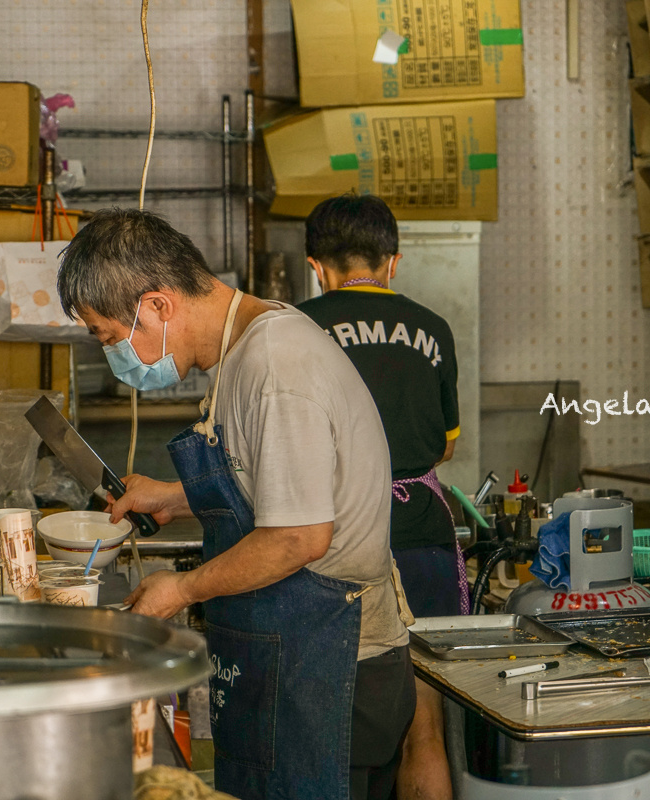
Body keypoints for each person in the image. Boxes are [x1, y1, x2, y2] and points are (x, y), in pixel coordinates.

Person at [57, 208, 416, 800]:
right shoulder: (247, 346)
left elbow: (298, 537)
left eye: (111, 338)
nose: (115, 357)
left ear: (157, 306)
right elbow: (272, 481)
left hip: (331, 665)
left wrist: (183, 589)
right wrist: (177, 496)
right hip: (292, 653)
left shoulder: (276, 366)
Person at [298, 194, 465, 800]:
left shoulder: (295, 326)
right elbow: (445, 446)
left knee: (332, 731)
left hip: (335, 543)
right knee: (424, 731)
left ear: (316, 265)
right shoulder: (435, 329)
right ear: (392, 262)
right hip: (420, 534)